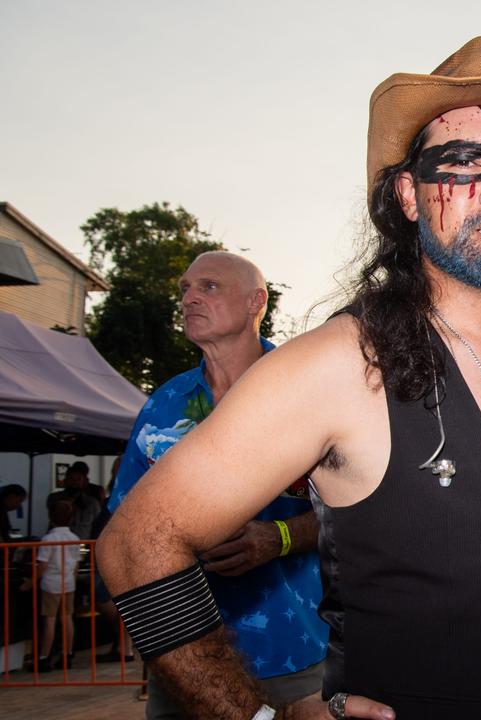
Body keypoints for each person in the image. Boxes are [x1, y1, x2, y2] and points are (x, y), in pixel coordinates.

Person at [99, 35, 481, 719]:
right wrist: (259, 717)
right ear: (410, 195)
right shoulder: (335, 364)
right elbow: (136, 544)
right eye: (461, 162)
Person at [106, 251, 327, 717]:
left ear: (256, 302)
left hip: (295, 649)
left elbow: (364, 514)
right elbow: (122, 523)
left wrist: (280, 537)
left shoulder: (310, 392)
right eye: (184, 288)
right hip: (185, 655)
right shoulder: (162, 406)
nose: (188, 298)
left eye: (208, 287)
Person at [21, 499, 80, 672]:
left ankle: (44, 657)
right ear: (71, 518)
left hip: (50, 584)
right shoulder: (75, 538)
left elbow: (43, 565)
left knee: (50, 620)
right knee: (67, 618)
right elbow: (76, 564)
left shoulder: (48, 539)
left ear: (50, 517)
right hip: (68, 582)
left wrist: (30, 583)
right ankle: (67, 654)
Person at [46, 461, 100, 540]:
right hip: (59, 542)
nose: (75, 483)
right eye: (71, 479)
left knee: (83, 552)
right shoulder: (54, 498)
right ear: (65, 480)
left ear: (84, 482)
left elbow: (97, 524)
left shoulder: (92, 502)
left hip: (83, 544)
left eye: (78, 479)